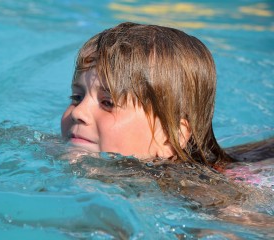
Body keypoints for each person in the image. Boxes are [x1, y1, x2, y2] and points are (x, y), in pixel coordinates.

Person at [61, 22, 232, 170]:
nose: (78, 113)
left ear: (169, 137)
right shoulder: (53, 149)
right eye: (77, 97)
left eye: (108, 103)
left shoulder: (201, 196)